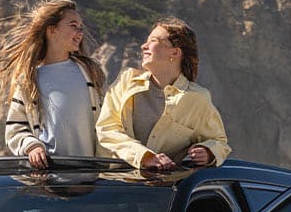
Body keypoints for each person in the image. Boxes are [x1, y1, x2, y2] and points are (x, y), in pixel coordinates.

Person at [96, 18, 230, 170]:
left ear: (174, 52)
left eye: (153, 41)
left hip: (162, 189)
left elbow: (219, 142)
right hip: (114, 182)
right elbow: (107, 128)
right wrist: (143, 156)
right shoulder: (126, 82)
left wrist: (208, 152)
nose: (143, 46)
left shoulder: (197, 98)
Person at [0, 0, 107, 168]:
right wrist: (32, 146)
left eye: (81, 27)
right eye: (73, 26)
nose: (80, 32)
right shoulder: (29, 79)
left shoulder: (90, 72)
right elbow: (15, 127)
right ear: (52, 30)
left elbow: (110, 120)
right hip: (49, 178)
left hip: (91, 176)